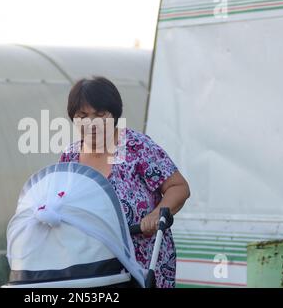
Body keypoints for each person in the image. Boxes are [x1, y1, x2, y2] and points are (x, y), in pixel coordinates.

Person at [59, 76, 190, 288]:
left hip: (143, 265)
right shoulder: (70, 156)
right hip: (91, 266)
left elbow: (179, 187)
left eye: (100, 115)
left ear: (114, 116)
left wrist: (155, 216)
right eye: (82, 115)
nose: (91, 123)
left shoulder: (137, 147)